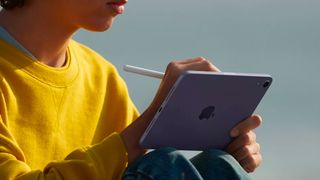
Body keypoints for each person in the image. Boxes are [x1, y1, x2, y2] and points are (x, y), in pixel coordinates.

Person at [0, 0, 262, 179]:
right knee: (164, 166)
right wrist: (149, 121)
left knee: (217, 165)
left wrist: (232, 153)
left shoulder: (101, 75)